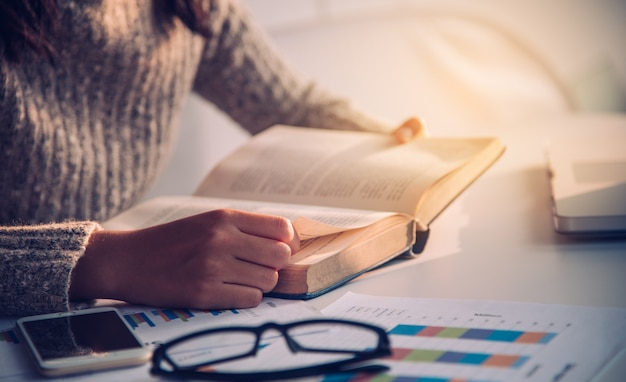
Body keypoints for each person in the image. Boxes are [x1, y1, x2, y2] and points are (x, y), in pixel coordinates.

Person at [0, 0, 423, 317]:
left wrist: (399, 148)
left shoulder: (188, 7)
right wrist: (103, 262)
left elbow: (291, 106)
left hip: (102, 315)